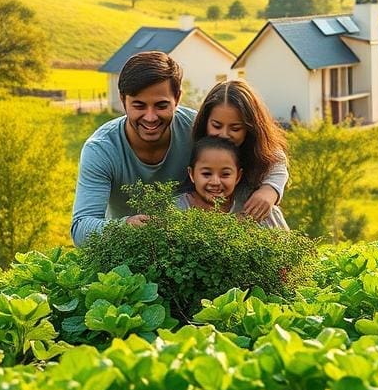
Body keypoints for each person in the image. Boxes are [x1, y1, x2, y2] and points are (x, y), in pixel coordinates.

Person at [71, 51, 195, 247]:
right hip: (127, 254)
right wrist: (126, 226)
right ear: (123, 100)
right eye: (139, 106)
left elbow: (250, 147)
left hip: (190, 248)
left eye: (161, 105)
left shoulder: (196, 128)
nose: (151, 117)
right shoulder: (101, 150)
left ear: (177, 98)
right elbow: (80, 229)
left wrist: (264, 186)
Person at [192, 79, 289, 222]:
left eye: (235, 128)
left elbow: (277, 162)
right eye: (217, 126)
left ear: (250, 128)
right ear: (205, 122)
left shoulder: (258, 149)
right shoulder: (196, 146)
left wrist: (269, 190)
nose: (224, 135)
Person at [174, 137, 289, 230]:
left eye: (225, 174)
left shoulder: (258, 209)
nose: (215, 182)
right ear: (192, 174)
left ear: (238, 176)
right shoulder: (175, 211)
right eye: (206, 174)